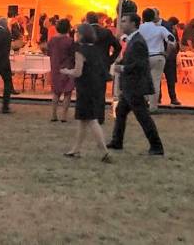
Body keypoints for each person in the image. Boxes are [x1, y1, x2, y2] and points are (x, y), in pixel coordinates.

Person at [107, 12, 164, 155]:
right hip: (130, 86)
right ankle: (117, 141)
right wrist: (122, 62)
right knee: (120, 112)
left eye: (125, 21)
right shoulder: (133, 40)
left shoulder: (137, 41)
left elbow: (140, 64)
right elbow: (133, 59)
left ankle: (156, 146)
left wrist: (123, 68)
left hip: (135, 86)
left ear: (133, 24)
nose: (122, 23)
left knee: (143, 116)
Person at [60, 23, 111, 163]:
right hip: (95, 86)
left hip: (85, 88)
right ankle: (76, 149)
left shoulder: (80, 50)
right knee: (83, 120)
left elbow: (78, 71)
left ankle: (105, 152)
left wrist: (66, 71)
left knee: (91, 120)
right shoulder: (96, 49)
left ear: (81, 35)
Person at [138, 8, 176, 111]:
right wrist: (167, 53)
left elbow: (128, 39)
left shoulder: (139, 28)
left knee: (143, 80)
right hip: (158, 56)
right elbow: (172, 42)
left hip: (143, 57)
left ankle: (143, 102)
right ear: (154, 17)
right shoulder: (160, 29)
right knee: (155, 81)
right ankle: (153, 107)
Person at [46, 18, 74, 122]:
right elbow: (73, 55)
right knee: (67, 92)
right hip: (67, 68)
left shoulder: (52, 40)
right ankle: (64, 116)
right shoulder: (70, 41)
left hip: (55, 68)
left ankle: (53, 114)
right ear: (68, 28)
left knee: (56, 93)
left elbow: (48, 53)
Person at [86, 11, 121, 78]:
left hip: (87, 67)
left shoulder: (83, 32)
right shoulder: (106, 32)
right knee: (100, 87)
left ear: (87, 20)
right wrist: (110, 60)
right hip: (103, 67)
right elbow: (118, 47)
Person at [160, 14, 181, 106]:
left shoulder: (162, 29)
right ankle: (173, 98)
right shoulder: (172, 30)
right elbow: (175, 43)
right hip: (170, 57)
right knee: (170, 79)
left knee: (158, 79)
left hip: (164, 56)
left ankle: (159, 97)